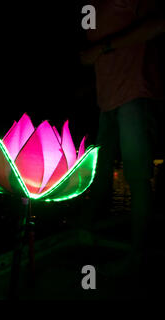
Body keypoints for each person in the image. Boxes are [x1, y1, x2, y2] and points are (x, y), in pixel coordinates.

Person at [79, 0, 165, 277]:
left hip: (133, 95)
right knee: (99, 172)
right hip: (106, 102)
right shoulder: (90, 8)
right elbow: (87, 52)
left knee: (137, 177)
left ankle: (137, 255)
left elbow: (158, 24)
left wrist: (105, 46)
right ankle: (87, 226)